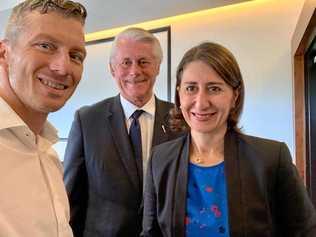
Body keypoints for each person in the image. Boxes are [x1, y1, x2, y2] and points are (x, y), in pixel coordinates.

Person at [142, 42, 316, 237]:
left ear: (235, 96)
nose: (201, 103)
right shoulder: (160, 159)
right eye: (191, 88)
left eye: (214, 89)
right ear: (179, 94)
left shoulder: (272, 158)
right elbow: (150, 233)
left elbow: (305, 232)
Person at [63, 27, 182, 237]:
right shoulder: (87, 120)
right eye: (126, 62)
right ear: (112, 69)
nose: (134, 71)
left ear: (157, 67)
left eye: (144, 62)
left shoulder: (182, 120)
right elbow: (71, 199)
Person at [0, 0, 87, 237]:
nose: (62, 67)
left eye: (76, 55)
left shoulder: (48, 154)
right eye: (46, 46)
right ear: (4, 53)